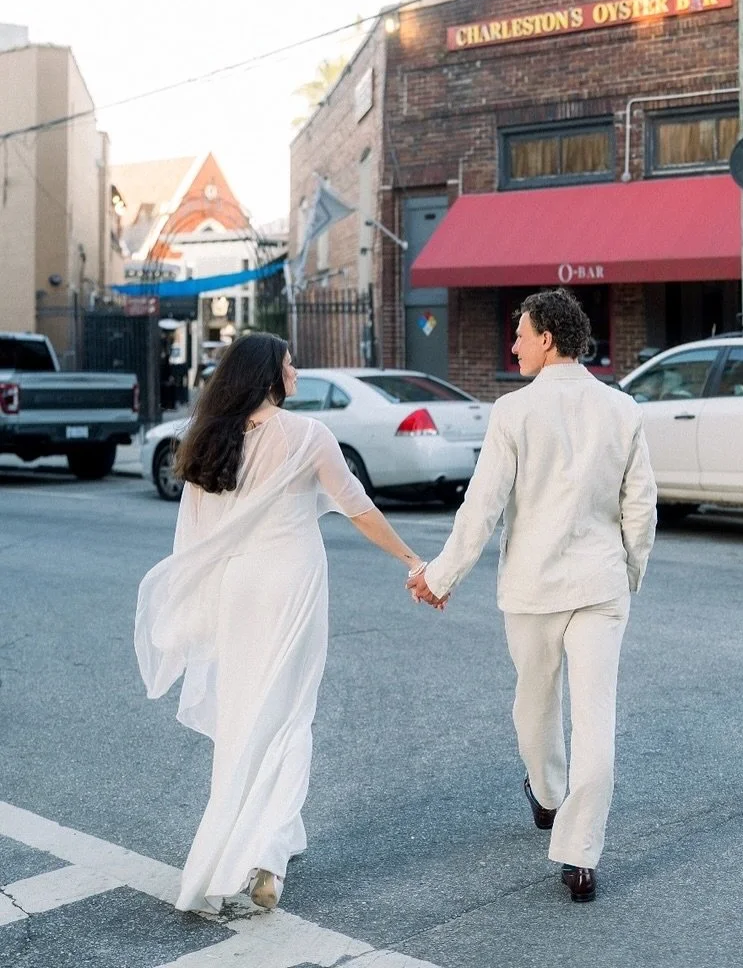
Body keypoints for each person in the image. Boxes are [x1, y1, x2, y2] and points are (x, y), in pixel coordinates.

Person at [135, 332, 429, 915]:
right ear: (268, 374)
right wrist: (412, 559)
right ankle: (267, 855)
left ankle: (243, 845)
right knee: (291, 714)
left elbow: (194, 537)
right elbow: (358, 507)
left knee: (243, 715)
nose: (295, 373)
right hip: (291, 583)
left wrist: (199, 605)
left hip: (239, 587)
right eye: (290, 365)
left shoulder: (209, 438)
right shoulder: (308, 434)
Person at [409, 289, 657, 903]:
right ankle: (580, 856)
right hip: (600, 586)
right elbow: (641, 506)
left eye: (520, 334)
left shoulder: (513, 412)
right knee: (596, 722)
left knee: (535, 708)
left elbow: (483, 507)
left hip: (534, 588)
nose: (513, 345)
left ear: (547, 338)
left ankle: (547, 796)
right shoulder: (622, 409)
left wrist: (440, 577)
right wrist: (628, 571)